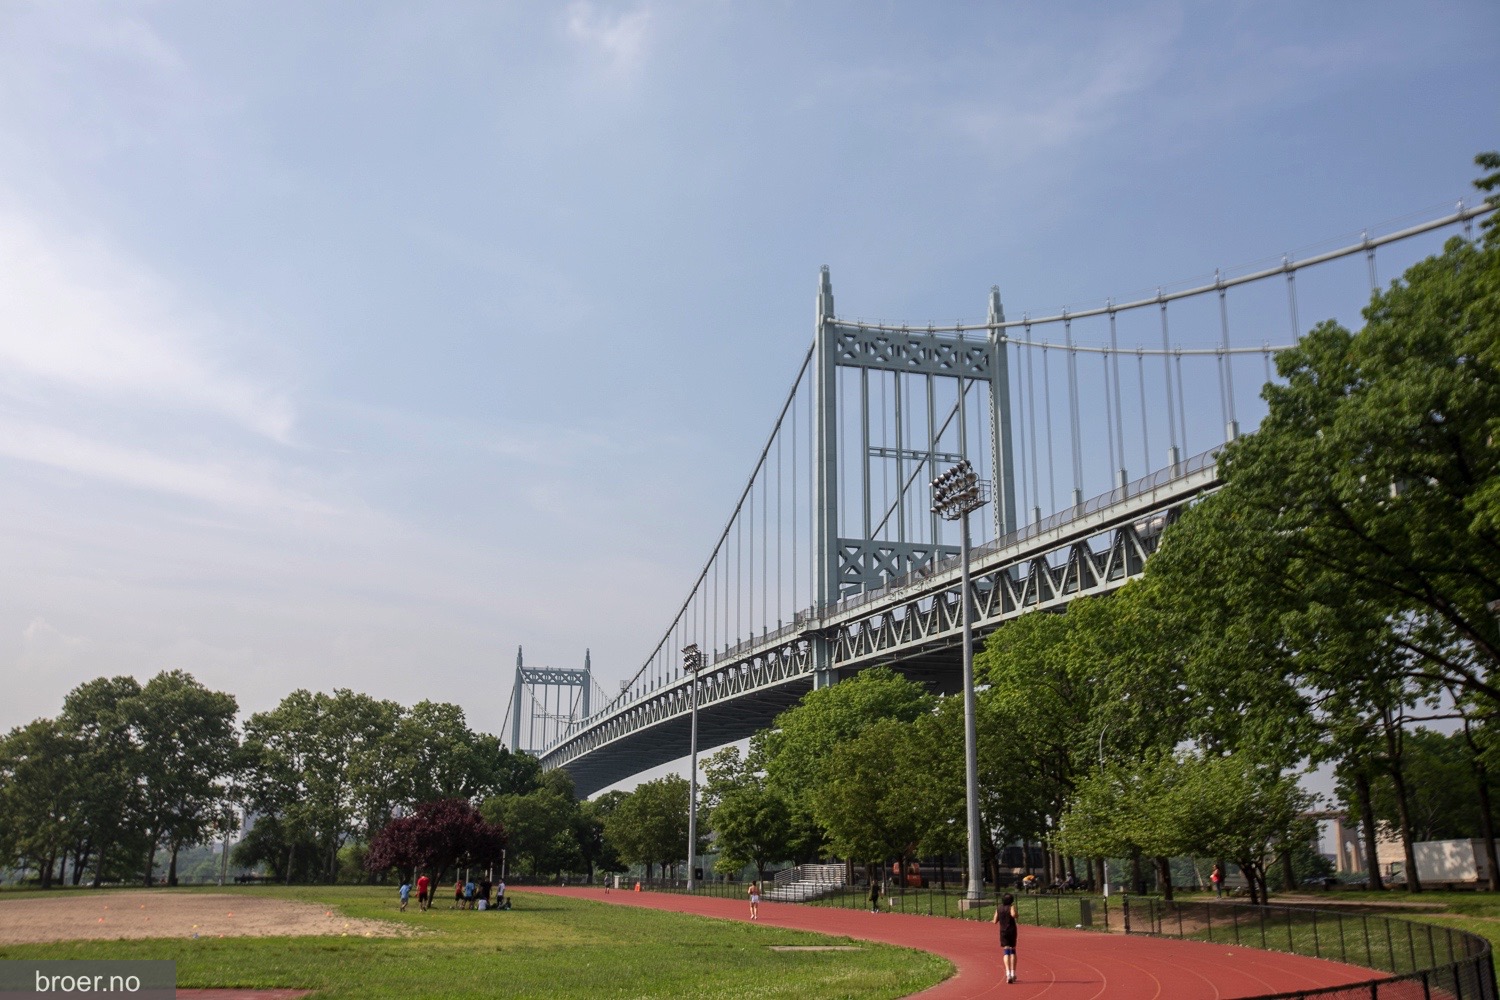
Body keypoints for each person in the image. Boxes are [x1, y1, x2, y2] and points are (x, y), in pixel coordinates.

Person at [992, 891, 1019, 984]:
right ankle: (1013, 973)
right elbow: (1014, 915)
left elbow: (994, 921)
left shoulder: (999, 908)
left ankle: (1007, 973)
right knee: (1013, 951)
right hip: (1011, 931)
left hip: (1003, 931)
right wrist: (1015, 911)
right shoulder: (1011, 907)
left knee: (1006, 951)